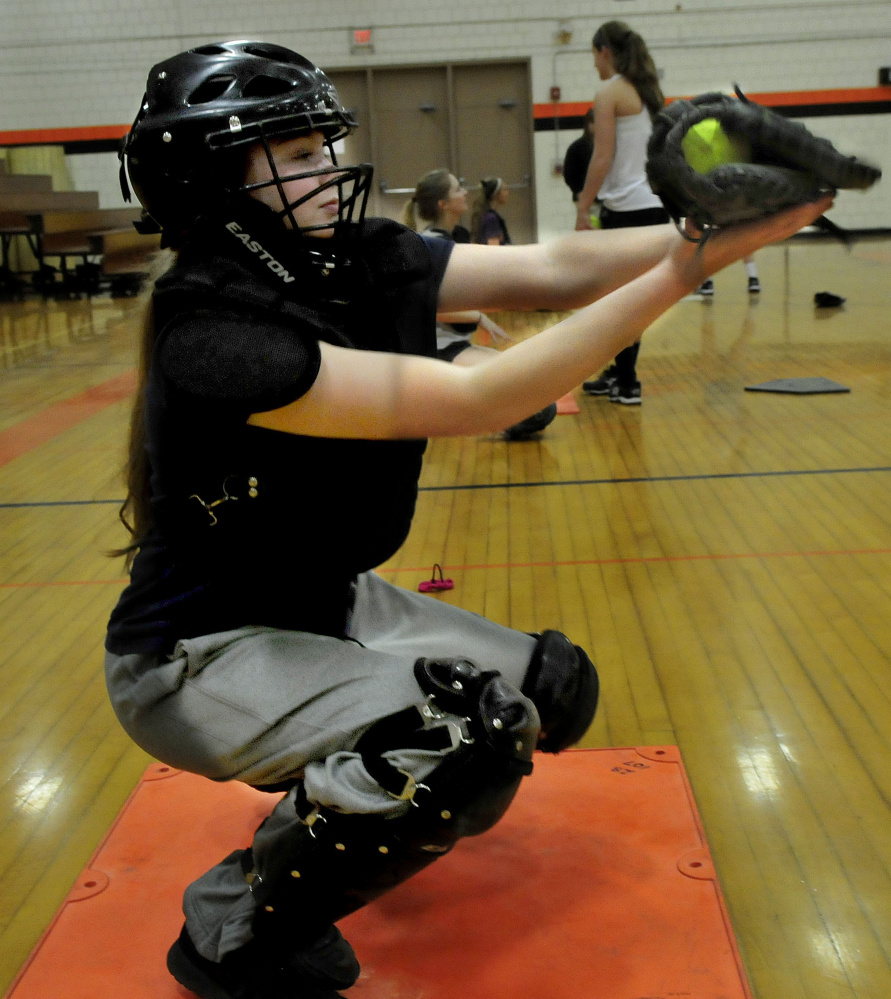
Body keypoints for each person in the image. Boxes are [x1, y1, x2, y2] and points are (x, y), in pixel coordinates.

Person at [104, 40, 829, 999]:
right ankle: (229, 931)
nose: (327, 167)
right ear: (211, 185)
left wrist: (707, 225)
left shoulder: (347, 259)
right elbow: (486, 398)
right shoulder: (218, 341)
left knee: (553, 690)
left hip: (324, 601)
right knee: (461, 741)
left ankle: (324, 771)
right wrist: (686, 268)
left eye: (322, 143)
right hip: (196, 652)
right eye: (294, 156)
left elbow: (562, 264)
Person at [403, 168, 555, 440]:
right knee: (536, 410)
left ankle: (452, 399)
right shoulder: (427, 245)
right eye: (457, 189)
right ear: (444, 204)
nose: (465, 192)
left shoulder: (453, 237)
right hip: (437, 352)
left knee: (540, 398)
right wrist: (479, 317)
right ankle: (444, 400)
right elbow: (427, 308)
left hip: (457, 345)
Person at [575, 21, 671, 406]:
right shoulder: (649, 92)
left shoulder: (609, 91)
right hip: (653, 208)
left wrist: (584, 207)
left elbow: (602, 157)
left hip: (625, 210)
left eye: (594, 57)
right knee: (634, 298)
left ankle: (628, 380)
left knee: (619, 301)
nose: (595, 66)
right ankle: (619, 371)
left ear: (605, 52)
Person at [563, 108, 595, 203]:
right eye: (593, 123)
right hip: (584, 197)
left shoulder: (607, 146)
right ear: (588, 124)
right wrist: (577, 191)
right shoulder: (576, 147)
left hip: (604, 198)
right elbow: (569, 174)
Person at [470, 176, 511, 245]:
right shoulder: (491, 218)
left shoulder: (487, 215)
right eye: (504, 190)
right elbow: (494, 248)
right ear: (495, 194)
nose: (508, 192)